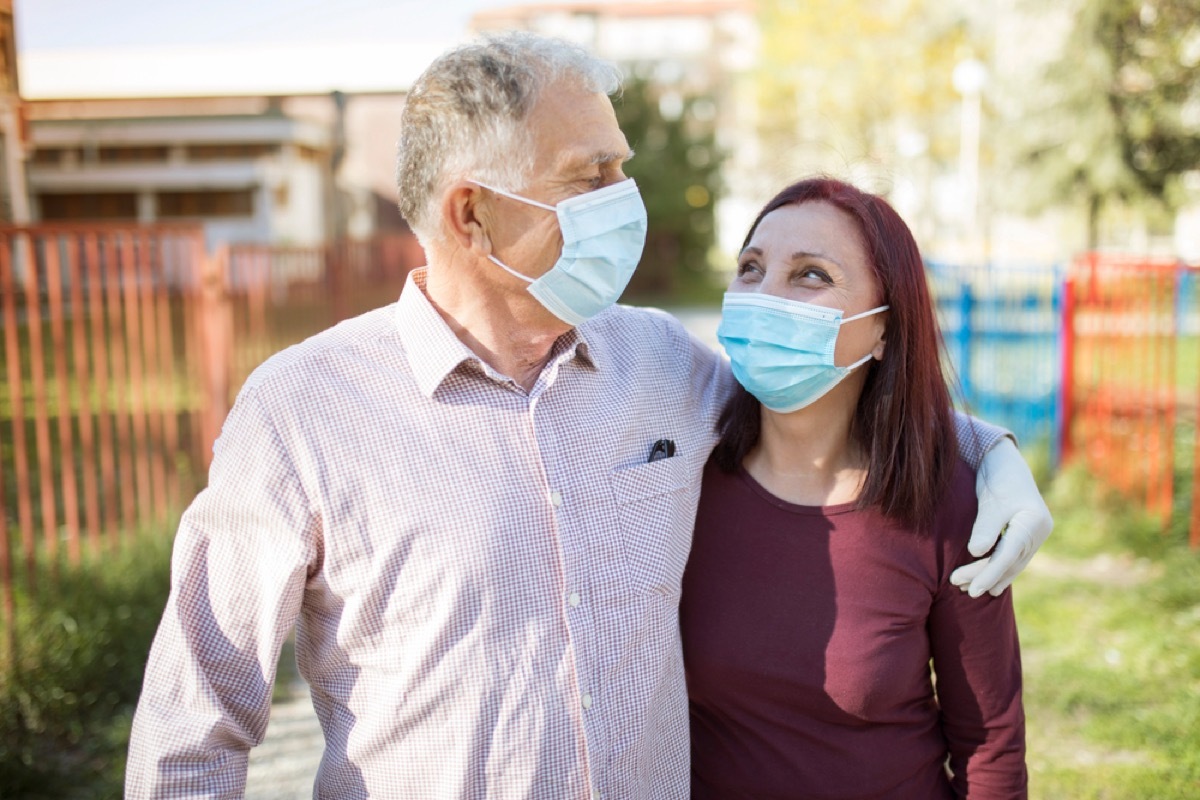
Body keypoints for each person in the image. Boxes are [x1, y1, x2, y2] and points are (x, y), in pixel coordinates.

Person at [125, 33, 1048, 799]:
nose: (625, 199)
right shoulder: (303, 411)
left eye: (621, 166)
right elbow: (192, 727)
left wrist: (992, 454)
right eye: (589, 174)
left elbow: (823, 400)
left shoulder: (660, 364)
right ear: (473, 214)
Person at [681, 178, 1028, 799]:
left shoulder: (948, 506)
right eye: (751, 269)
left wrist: (995, 449)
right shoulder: (680, 482)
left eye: (811, 275)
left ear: (884, 331)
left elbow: (991, 745)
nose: (765, 297)